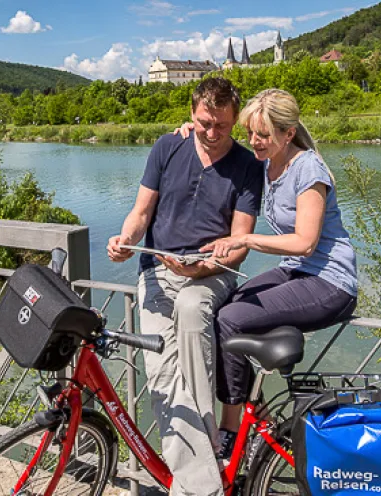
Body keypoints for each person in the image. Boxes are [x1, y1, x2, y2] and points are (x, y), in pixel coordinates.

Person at [176, 88, 358, 459]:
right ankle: (253, 418)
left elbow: (305, 242)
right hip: (295, 272)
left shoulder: (308, 169)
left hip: (330, 280)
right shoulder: (266, 162)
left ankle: (233, 427)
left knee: (231, 319)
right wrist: (188, 130)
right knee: (224, 305)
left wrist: (244, 239)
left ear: (288, 134)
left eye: (263, 134)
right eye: (250, 134)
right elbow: (220, 147)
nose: (255, 142)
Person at [106, 78, 264, 496]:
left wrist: (203, 267)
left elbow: (240, 246)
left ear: (235, 121)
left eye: (223, 126)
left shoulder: (248, 167)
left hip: (212, 274)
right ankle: (208, 474)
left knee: (194, 310)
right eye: (203, 123)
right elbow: (141, 213)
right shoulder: (166, 147)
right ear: (192, 113)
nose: (212, 134)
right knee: (162, 377)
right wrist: (124, 240)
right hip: (156, 272)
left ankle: (196, 485)